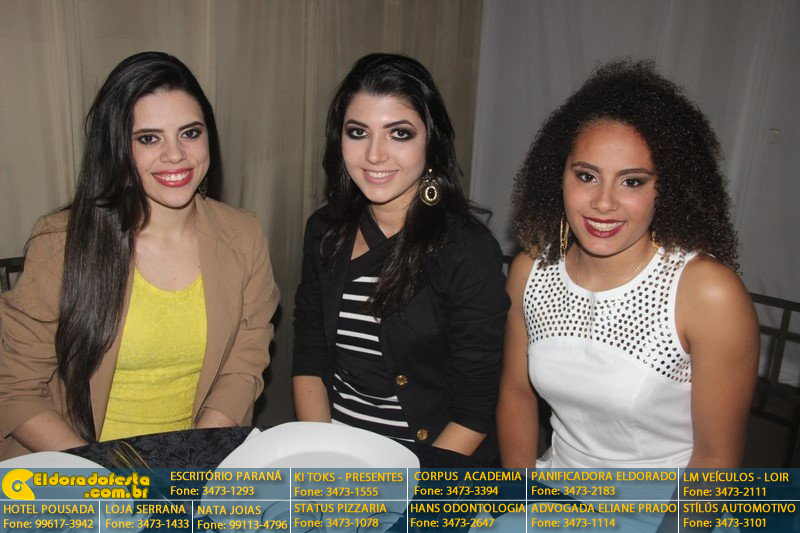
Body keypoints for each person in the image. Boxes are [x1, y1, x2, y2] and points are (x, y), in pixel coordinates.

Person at [0, 52, 279, 459]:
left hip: (191, 463)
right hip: (80, 464)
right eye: (149, 138)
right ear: (118, 148)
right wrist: (108, 477)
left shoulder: (245, 235)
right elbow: (16, 387)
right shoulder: (60, 243)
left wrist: (191, 463)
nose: (175, 154)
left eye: (190, 133)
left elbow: (243, 367)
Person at [498, 60, 759, 469]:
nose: (603, 203)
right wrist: (522, 495)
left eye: (632, 181)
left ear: (667, 188)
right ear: (558, 175)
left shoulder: (707, 293)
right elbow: (516, 394)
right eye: (587, 176)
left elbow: (716, 457)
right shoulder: (531, 270)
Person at [292, 53, 509, 457]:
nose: (375, 155)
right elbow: (309, 361)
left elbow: (473, 413)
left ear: (431, 140)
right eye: (358, 132)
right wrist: (322, 461)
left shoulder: (468, 251)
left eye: (399, 134)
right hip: (335, 454)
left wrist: (402, 493)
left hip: (428, 467)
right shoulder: (324, 231)